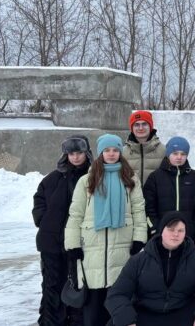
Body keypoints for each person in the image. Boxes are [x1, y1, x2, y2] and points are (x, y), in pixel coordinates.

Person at [64, 134, 147, 326]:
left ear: (120, 152)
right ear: (101, 153)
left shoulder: (130, 179)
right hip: (92, 248)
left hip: (122, 246)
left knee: (117, 302)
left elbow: (138, 210)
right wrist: (73, 244)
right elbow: (75, 214)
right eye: (107, 150)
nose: (111, 154)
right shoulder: (86, 180)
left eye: (115, 150)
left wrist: (139, 238)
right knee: (93, 306)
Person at [105, 211, 195, 326]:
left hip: (182, 312)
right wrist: (127, 320)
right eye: (171, 229)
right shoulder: (139, 260)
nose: (176, 234)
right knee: (116, 322)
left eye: (180, 230)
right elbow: (117, 294)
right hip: (146, 313)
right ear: (161, 231)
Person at [33, 135, 92, 326]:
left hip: (80, 244)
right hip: (52, 244)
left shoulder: (93, 178)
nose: (75, 157)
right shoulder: (52, 178)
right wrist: (43, 220)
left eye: (79, 153)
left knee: (77, 288)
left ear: (87, 153)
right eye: (71, 153)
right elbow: (39, 200)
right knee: (51, 288)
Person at [143, 136, 195, 241]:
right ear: (168, 154)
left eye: (183, 154)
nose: (179, 157)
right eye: (175, 153)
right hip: (161, 235)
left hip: (187, 235)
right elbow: (148, 206)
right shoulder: (155, 177)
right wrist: (155, 228)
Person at [122, 110, 166, 185]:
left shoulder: (163, 150)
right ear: (132, 128)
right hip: (131, 196)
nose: (141, 128)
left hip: (155, 196)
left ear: (150, 126)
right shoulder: (123, 152)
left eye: (144, 124)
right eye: (136, 125)